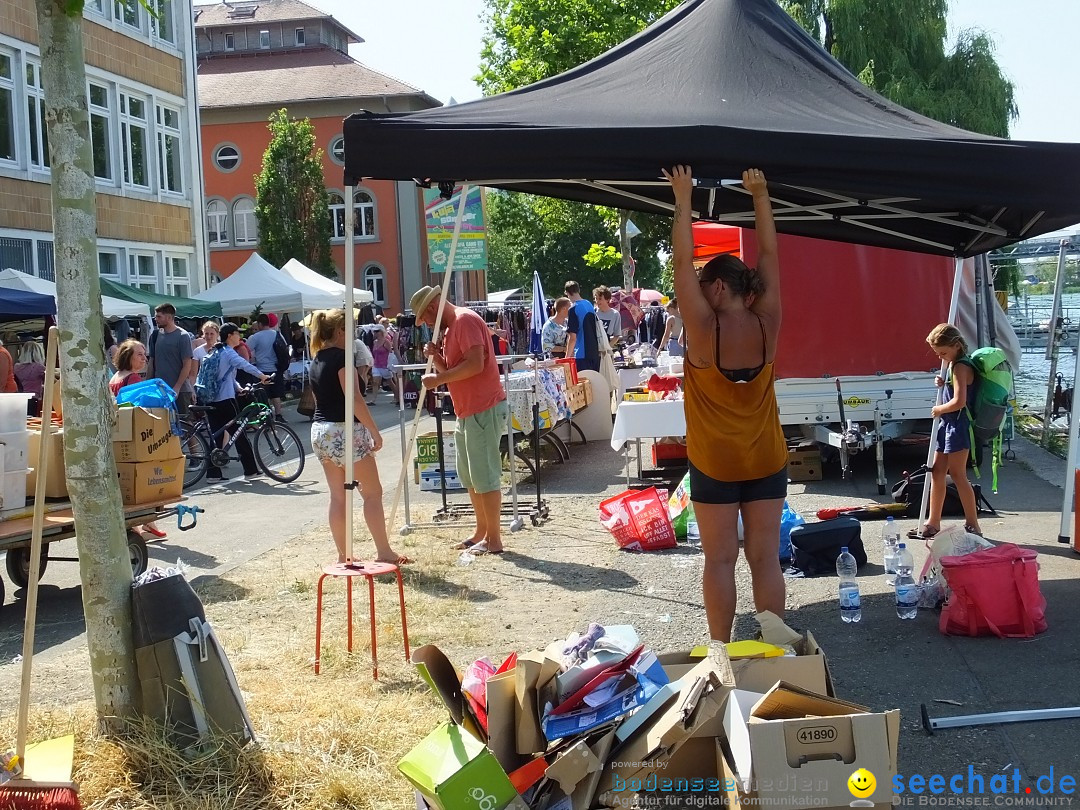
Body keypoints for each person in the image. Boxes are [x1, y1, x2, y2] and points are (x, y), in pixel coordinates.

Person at [665, 165, 785, 643]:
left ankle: (720, 651)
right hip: (766, 459)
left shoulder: (703, 331)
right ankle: (775, 648)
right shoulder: (767, 323)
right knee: (765, 558)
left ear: (715, 288)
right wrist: (760, 193)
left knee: (719, 560)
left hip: (715, 464)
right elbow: (771, 252)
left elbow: (679, 263)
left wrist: (682, 200)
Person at [308, 308, 409, 566]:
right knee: (372, 493)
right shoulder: (343, 359)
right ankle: (384, 551)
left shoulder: (317, 358)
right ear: (341, 331)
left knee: (338, 496)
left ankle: (344, 554)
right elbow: (354, 399)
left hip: (321, 431)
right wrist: (375, 432)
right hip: (345, 430)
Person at [412, 285, 508, 555]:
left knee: (485, 477)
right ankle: (482, 532)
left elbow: (476, 364)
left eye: (426, 318)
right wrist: (438, 359)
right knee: (470, 476)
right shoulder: (452, 326)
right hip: (468, 410)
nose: (428, 324)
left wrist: (438, 379)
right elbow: (459, 368)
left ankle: (494, 539)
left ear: (432, 307)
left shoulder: (463, 321)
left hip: (482, 408)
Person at [922, 323, 982, 538]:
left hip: (957, 425)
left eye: (944, 353)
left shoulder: (960, 367)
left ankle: (973, 524)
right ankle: (933, 521)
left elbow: (959, 401)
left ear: (956, 346)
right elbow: (954, 389)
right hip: (948, 424)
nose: (941, 358)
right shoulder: (953, 365)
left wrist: (938, 408)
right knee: (938, 472)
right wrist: (943, 381)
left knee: (957, 474)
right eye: (938, 354)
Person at [108, 339, 166, 538]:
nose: (144, 358)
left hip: (118, 434)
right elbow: (139, 410)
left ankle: (144, 524)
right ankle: (146, 523)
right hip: (134, 435)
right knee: (143, 480)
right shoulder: (132, 379)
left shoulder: (115, 377)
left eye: (144, 354)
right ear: (128, 357)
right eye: (139, 354)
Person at [203, 323, 270, 481]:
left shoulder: (216, 351)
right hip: (225, 400)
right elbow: (244, 365)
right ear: (230, 336)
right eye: (237, 333)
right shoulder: (228, 353)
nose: (239, 337)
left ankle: (213, 474)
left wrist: (239, 388)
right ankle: (251, 470)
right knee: (239, 434)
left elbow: (228, 376)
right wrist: (262, 376)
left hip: (210, 398)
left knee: (216, 437)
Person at [147, 303, 195, 414]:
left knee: (184, 426)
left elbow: (187, 364)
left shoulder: (183, 336)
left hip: (180, 391)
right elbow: (151, 362)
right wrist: (149, 385)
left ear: (169, 317)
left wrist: (177, 387)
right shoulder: (155, 335)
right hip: (160, 391)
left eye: (159, 317)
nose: (156, 319)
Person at [245, 313, 287, 421]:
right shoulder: (277, 334)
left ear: (259, 324)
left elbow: (247, 350)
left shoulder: (256, 337)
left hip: (261, 370)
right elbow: (285, 347)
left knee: (264, 395)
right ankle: (279, 415)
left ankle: (267, 417)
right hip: (276, 368)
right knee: (276, 394)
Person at [564, 281, 601, 373]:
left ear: (568, 293)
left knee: (583, 385)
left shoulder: (573, 309)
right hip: (594, 352)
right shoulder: (589, 304)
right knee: (594, 383)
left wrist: (567, 357)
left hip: (582, 353)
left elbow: (572, 337)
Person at [370, 323, 399, 400]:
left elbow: (391, 353)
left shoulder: (386, 342)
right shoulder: (375, 342)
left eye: (377, 331)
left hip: (385, 365)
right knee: (375, 382)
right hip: (376, 365)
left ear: (382, 332)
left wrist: (391, 364)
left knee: (390, 382)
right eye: (375, 331)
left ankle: (397, 397)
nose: (375, 333)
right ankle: (373, 399)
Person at [353, 328, 374, 403]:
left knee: (360, 376)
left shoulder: (354, 342)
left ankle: (361, 392)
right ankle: (363, 391)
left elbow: (354, 353)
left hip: (362, 359)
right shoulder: (358, 341)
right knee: (364, 375)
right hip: (368, 357)